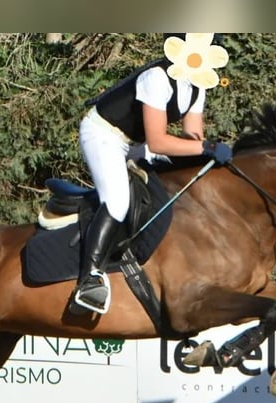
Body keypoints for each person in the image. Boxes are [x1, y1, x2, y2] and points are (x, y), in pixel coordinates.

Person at [73, 33, 232, 314]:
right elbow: (158, 142)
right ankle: (90, 279)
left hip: (136, 144)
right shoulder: (156, 78)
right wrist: (207, 146)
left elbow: (191, 137)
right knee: (118, 201)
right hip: (104, 134)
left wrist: (207, 151)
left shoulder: (197, 86)